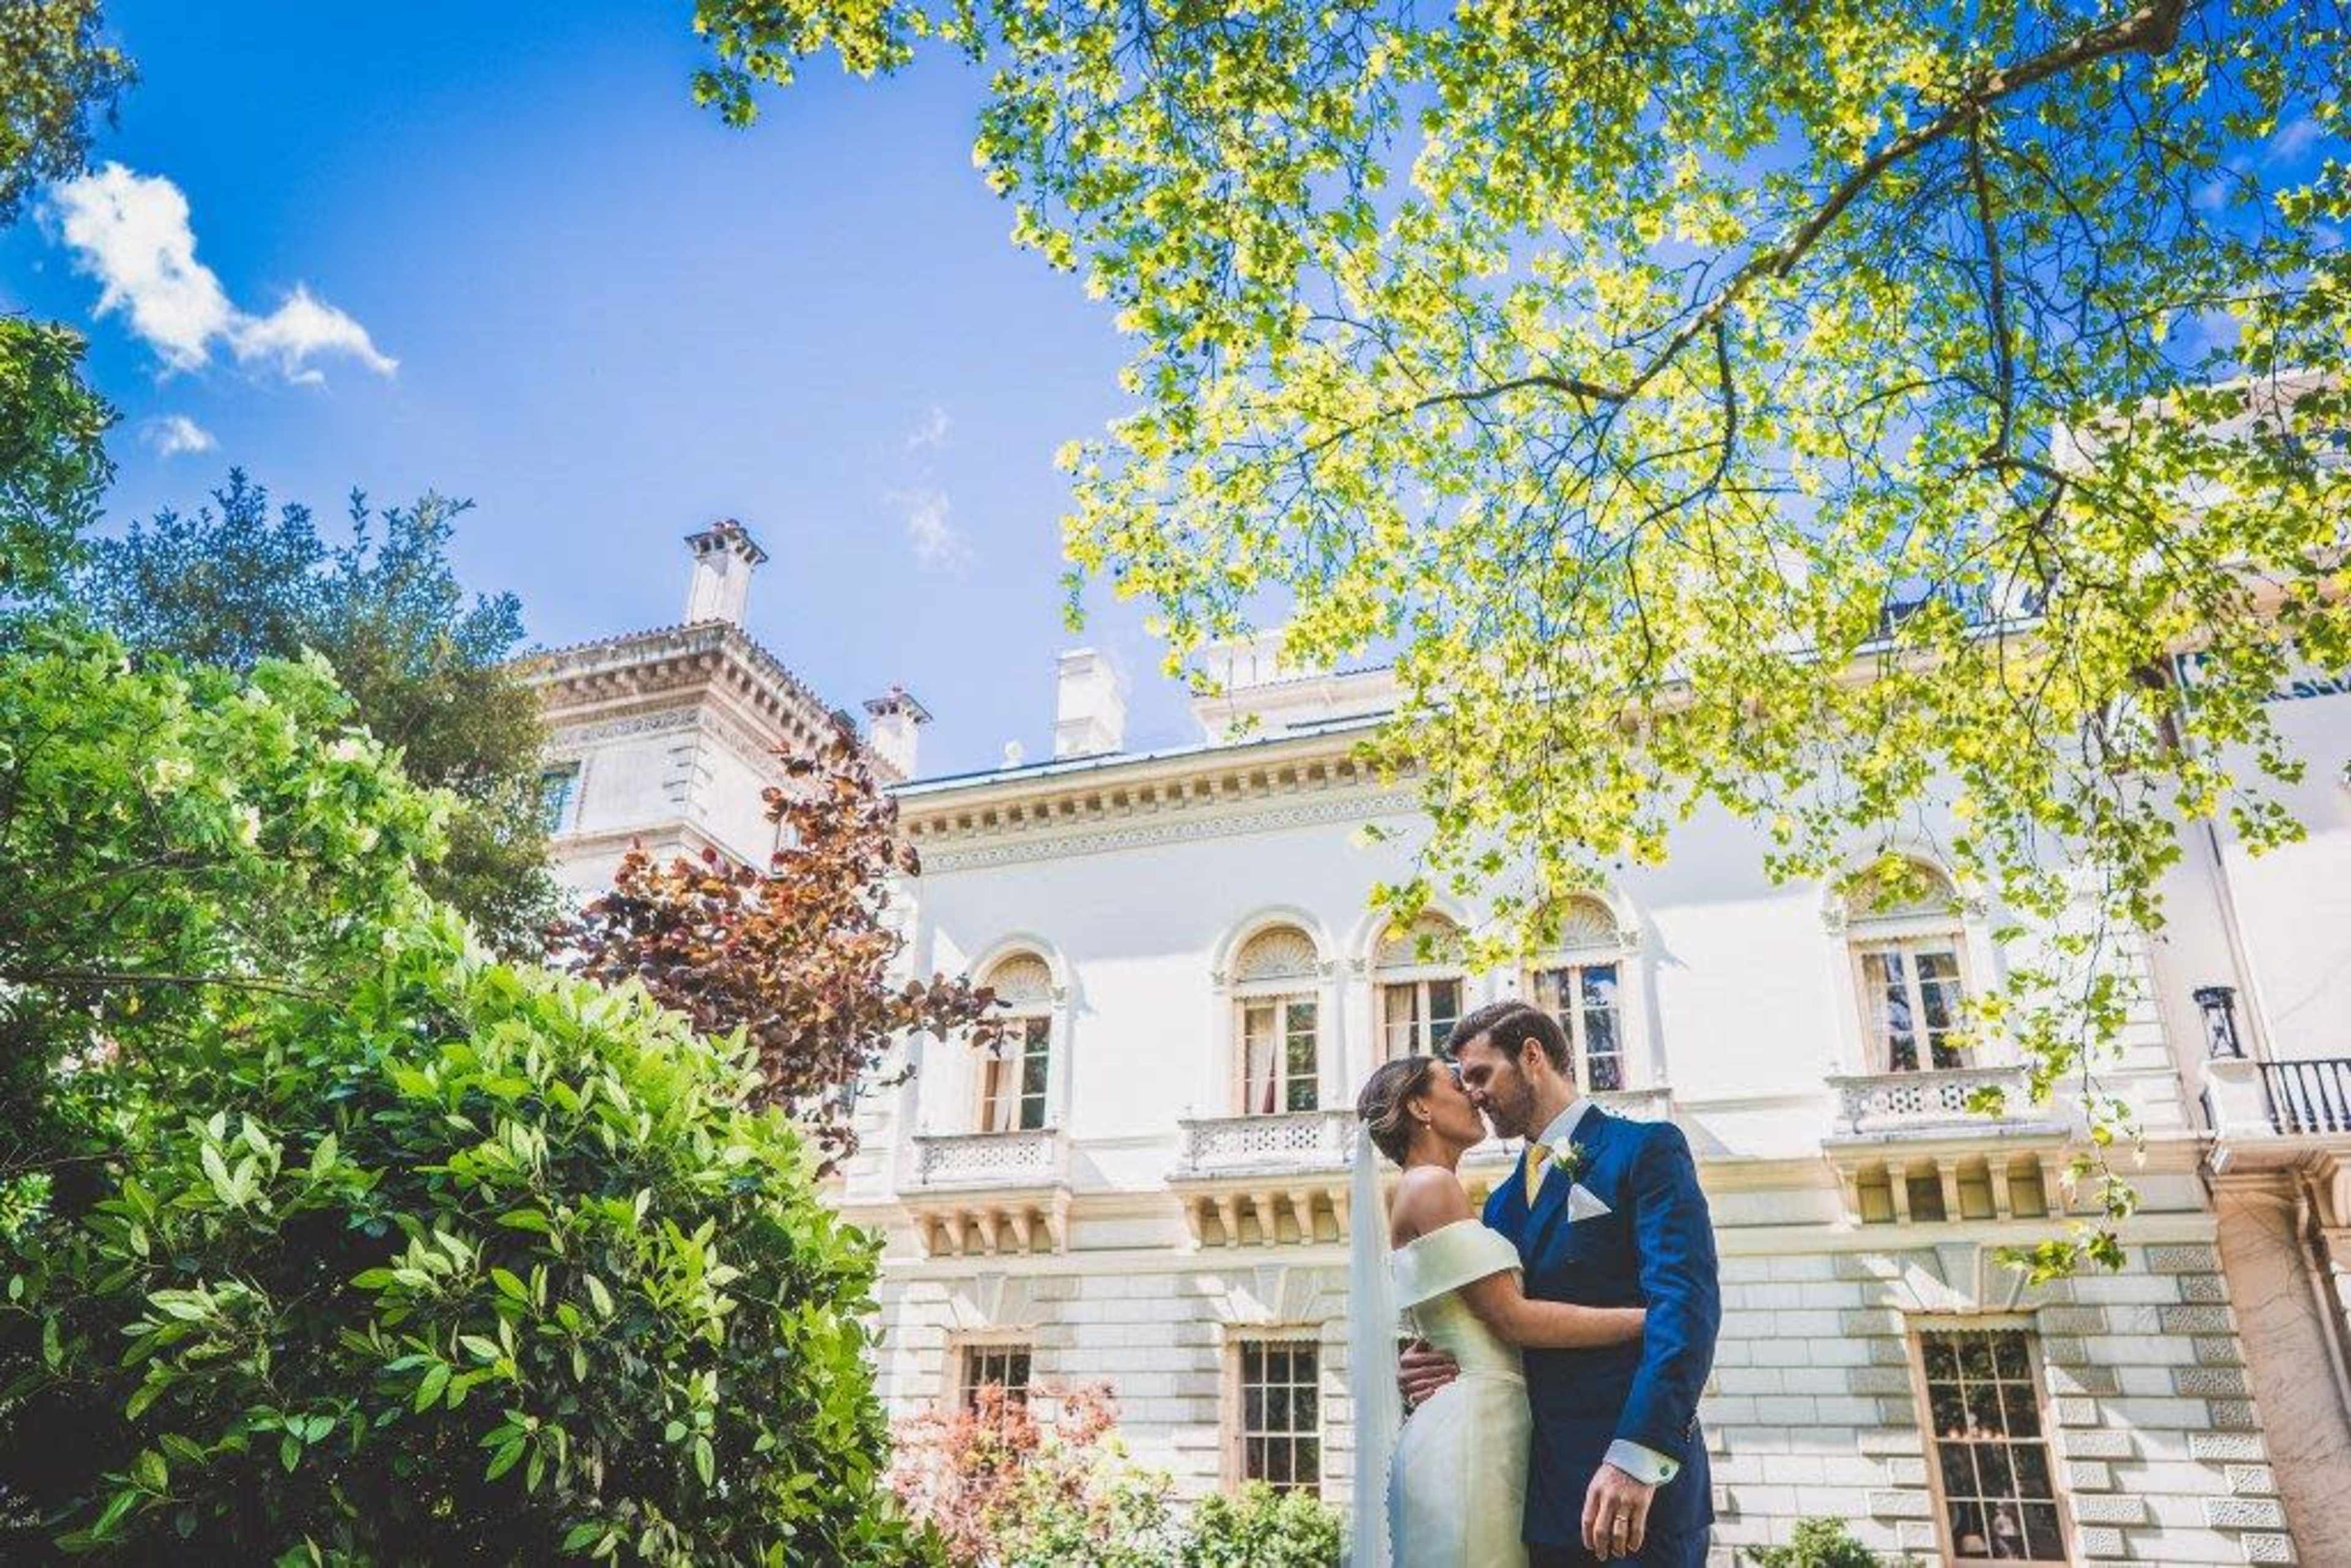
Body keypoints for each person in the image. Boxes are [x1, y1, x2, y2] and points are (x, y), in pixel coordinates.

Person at [1397, 1000, 1720, 1566]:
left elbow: (1685, 1306)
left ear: (1532, 1056)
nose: (1472, 1093)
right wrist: (1434, 1362)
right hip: (1539, 1500)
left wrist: (1638, 1456)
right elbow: (1500, 1320)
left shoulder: (1646, 1149)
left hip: (1633, 1495)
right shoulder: (1495, 1206)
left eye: (1480, 1074)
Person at [1353, 1053, 1648, 1566]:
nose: (1473, 1092)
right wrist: (1652, 1319)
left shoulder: (1458, 1195)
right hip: (1472, 1431)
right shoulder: (1430, 1185)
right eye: (1455, 1081)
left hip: (1491, 1421)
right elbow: (1514, 1318)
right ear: (1420, 1106)